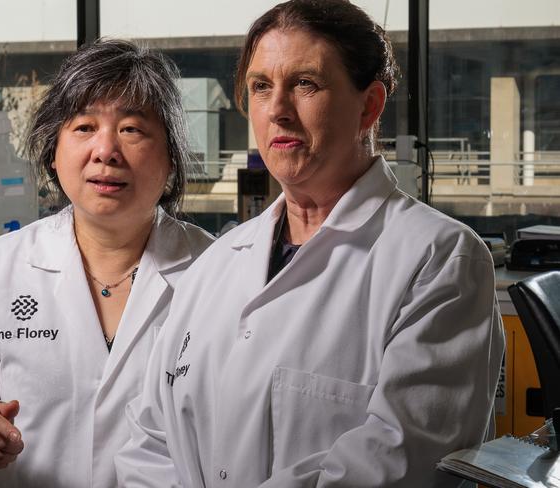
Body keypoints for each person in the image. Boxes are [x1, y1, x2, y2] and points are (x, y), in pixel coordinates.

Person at [114, 1, 505, 486]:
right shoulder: (217, 262)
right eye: (260, 87)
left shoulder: (439, 259)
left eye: (305, 84)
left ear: (370, 105)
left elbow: (396, 463)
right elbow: (149, 437)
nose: (277, 110)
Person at [0, 39, 214, 488]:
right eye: (84, 127)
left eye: (132, 129)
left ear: (170, 157)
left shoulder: (216, 271)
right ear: (53, 151)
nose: (105, 150)